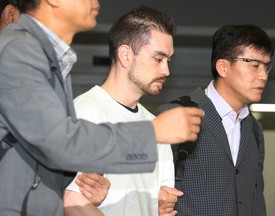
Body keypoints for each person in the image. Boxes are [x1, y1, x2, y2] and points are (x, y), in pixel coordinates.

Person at [0, 0, 204, 215]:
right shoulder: (20, 49)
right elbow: (56, 141)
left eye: (168, 60)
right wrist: (152, 133)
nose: (95, 2)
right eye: (158, 58)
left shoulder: (53, 62)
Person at [64, 5, 191, 216]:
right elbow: (71, 202)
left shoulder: (157, 127)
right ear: (125, 55)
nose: (166, 70)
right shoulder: (86, 112)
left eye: (169, 60)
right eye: (158, 59)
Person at [155, 24, 274, 216]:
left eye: (266, 67)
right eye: (254, 66)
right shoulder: (177, 115)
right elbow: (145, 192)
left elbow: (256, 196)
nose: (263, 76)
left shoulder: (254, 129)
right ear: (223, 67)